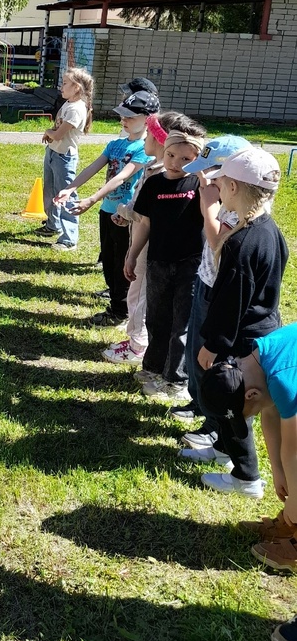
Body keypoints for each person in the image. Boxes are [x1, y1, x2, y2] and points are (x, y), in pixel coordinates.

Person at [190, 149, 288, 497]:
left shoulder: (243, 244)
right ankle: (221, 450)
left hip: (240, 338)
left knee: (232, 400)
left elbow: (232, 302)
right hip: (262, 327)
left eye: (219, 183)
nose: (216, 187)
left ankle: (246, 476)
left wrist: (213, 345)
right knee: (229, 400)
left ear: (232, 187)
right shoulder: (269, 230)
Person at [198, 342, 297, 641]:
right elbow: (270, 410)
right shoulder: (257, 359)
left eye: (244, 414)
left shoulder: (281, 377)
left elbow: (295, 448)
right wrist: (278, 470)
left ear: (249, 395)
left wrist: (295, 502)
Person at [102, 111, 204, 366]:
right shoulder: (155, 173)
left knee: (142, 297)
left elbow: (142, 212)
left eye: (149, 133)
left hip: (163, 255)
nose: (144, 137)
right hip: (147, 248)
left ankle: (138, 346)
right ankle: (143, 343)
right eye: (173, 156)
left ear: (160, 139)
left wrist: (125, 214)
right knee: (147, 300)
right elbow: (143, 211)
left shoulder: (179, 179)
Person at [55, 90, 158, 325]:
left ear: (148, 119)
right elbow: (93, 167)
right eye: (123, 115)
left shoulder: (144, 149)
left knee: (124, 265)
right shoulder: (115, 144)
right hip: (107, 212)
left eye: (131, 116)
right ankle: (116, 305)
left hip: (126, 216)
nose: (125, 120)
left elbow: (121, 178)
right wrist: (70, 188)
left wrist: (91, 199)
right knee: (110, 263)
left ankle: (121, 311)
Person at [175, 136, 253, 442]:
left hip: (221, 292)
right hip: (205, 281)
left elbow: (217, 240)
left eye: (211, 173)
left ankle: (215, 428)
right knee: (196, 351)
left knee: (213, 359)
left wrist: (208, 203)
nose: (203, 178)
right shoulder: (224, 193)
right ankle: (200, 402)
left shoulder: (240, 206)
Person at [123, 127, 205, 401]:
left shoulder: (199, 185)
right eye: (170, 155)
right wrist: (133, 254)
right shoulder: (154, 184)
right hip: (158, 262)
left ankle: (177, 380)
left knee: (182, 323)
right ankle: (153, 368)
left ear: (197, 159)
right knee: (158, 319)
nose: (175, 163)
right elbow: (144, 222)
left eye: (185, 158)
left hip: (190, 265)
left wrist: (204, 175)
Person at [36, 68, 94, 252]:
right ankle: (53, 225)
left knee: (66, 194)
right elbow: (58, 127)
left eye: (65, 83)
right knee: (50, 191)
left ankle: (69, 238)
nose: (61, 87)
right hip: (53, 152)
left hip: (64, 157)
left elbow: (59, 135)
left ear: (76, 87)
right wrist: (50, 136)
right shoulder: (68, 104)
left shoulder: (77, 109)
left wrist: (48, 132)